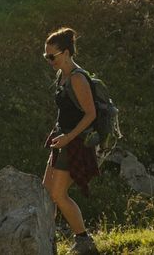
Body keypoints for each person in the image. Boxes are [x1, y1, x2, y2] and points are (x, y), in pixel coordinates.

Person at [43, 27, 100, 255]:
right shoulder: (62, 75)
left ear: (66, 53)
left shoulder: (77, 78)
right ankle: (47, 239)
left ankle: (84, 241)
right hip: (62, 139)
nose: (49, 60)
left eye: (52, 56)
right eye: (46, 56)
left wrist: (68, 137)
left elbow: (91, 114)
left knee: (58, 194)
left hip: (75, 142)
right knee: (46, 192)